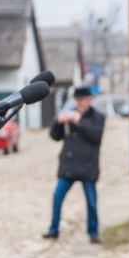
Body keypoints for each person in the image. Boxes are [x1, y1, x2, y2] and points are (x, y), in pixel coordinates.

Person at [44, 86, 106, 243]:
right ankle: (53, 229)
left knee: (91, 202)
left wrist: (79, 122)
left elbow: (96, 136)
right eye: (76, 100)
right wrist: (58, 122)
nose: (78, 103)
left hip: (88, 166)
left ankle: (93, 232)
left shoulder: (97, 117)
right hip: (69, 166)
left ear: (89, 100)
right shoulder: (69, 114)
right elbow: (55, 136)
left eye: (81, 100)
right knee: (57, 197)